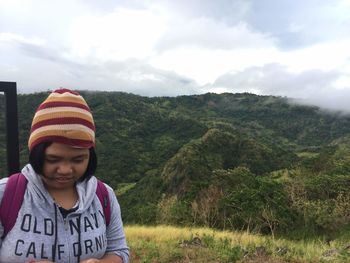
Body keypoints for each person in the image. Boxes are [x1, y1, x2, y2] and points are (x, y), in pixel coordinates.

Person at [0, 88, 129, 262]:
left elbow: (119, 250)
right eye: (53, 159)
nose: (65, 170)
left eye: (78, 159)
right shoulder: (6, 195)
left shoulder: (104, 195)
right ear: (36, 153)